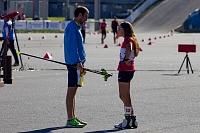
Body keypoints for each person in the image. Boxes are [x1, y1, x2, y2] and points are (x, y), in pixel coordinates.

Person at [64, 6, 89, 128]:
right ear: (79, 15)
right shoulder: (72, 27)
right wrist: (78, 62)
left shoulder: (76, 27)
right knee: (71, 90)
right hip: (74, 63)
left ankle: (73, 117)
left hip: (77, 63)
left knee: (74, 91)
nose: (86, 19)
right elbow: (72, 47)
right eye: (85, 16)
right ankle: (69, 119)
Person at [114, 21, 140, 129]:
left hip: (126, 70)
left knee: (125, 95)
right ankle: (132, 118)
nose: (118, 30)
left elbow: (129, 49)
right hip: (126, 70)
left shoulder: (128, 40)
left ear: (124, 30)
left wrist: (125, 59)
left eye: (120, 29)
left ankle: (127, 119)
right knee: (123, 95)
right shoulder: (128, 40)